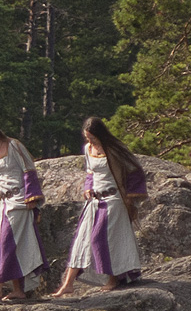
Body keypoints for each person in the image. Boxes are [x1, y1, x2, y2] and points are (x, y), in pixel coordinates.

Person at [51, 117, 148, 297]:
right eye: (87, 137)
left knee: (103, 240)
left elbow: (135, 171)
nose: (90, 141)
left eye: (93, 138)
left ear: (100, 135)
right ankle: (68, 284)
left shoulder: (115, 150)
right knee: (81, 241)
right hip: (95, 201)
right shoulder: (88, 149)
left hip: (113, 201)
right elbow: (91, 173)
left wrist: (131, 197)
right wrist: (88, 188)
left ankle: (113, 278)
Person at [0, 117, 46, 301]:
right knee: (7, 246)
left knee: (7, 243)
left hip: (18, 201)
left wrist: (32, 196)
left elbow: (28, 169)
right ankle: (18, 290)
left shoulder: (14, 145)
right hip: (3, 203)